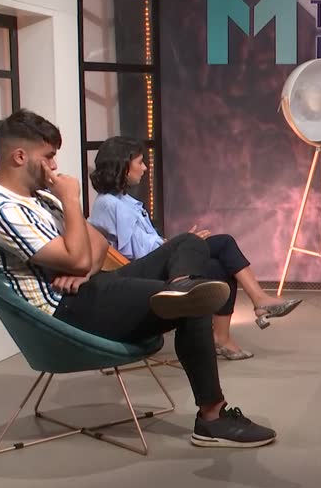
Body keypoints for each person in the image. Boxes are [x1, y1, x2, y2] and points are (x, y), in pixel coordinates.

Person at [0, 109, 276, 448]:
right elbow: (79, 255)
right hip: (64, 313)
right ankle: (212, 418)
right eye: (48, 157)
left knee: (189, 244)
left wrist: (83, 269)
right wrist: (70, 202)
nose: (54, 166)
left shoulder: (40, 199)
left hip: (87, 287)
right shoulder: (1, 210)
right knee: (194, 303)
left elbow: (97, 244)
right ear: (19, 156)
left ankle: (181, 286)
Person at [87, 136, 300, 361]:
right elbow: (139, 252)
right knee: (223, 243)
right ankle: (258, 301)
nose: (145, 168)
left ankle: (223, 336)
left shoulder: (122, 200)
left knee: (221, 266)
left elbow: (147, 242)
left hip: (153, 261)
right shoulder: (108, 204)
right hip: (139, 274)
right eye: (140, 162)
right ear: (122, 165)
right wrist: (182, 244)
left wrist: (178, 243)